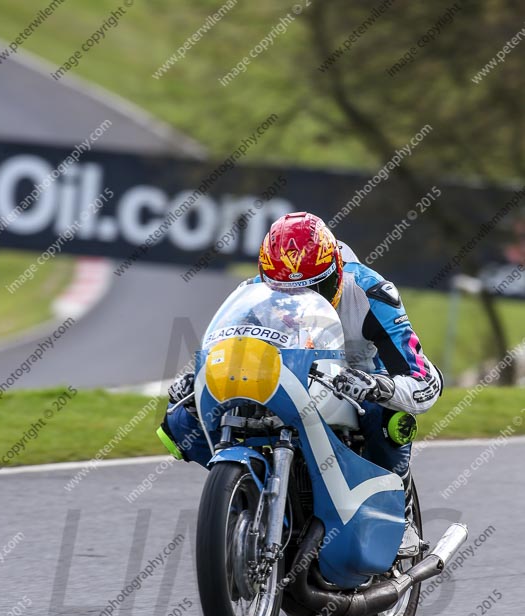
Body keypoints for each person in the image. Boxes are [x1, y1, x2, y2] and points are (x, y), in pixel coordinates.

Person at [157, 212, 443, 557]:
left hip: (356, 387)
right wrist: (195, 378)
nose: (304, 298)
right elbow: (228, 349)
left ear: (337, 269)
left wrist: (377, 387)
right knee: (180, 422)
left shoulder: (371, 293)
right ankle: (249, 497)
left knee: (388, 420)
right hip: (288, 382)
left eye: (316, 287)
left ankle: (397, 514)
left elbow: (423, 379)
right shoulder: (252, 294)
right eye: (284, 289)